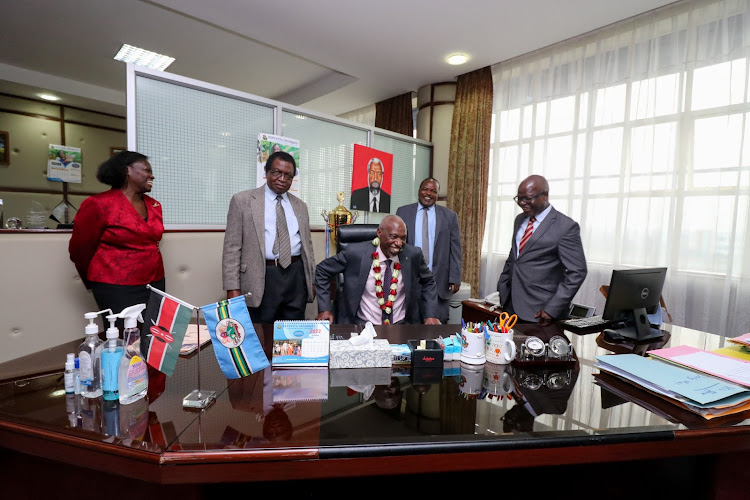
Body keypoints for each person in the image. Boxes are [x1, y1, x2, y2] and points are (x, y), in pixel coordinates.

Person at [222, 151, 315, 323]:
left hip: (295, 275)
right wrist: (232, 288)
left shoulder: (300, 206)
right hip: (262, 275)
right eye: (276, 172)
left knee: (292, 337)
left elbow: (307, 246)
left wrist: (311, 280)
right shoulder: (242, 201)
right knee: (261, 335)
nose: (282, 179)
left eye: (288, 175)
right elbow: (231, 249)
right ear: (266, 172)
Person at [69, 151, 165, 316]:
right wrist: (95, 281)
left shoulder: (154, 205)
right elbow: (80, 250)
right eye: (147, 170)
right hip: (115, 285)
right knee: (123, 337)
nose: (152, 176)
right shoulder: (98, 204)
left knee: (154, 335)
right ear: (127, 170)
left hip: (155, 281)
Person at [314, 214, 440, 325]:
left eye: (403, 238)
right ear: (379, 233)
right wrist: (325, 309)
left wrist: (431, 315)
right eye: (393, 237)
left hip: (401, 326)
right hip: (362, 326)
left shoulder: (412, 254)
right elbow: (322, 270)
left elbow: (429, 281)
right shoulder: (356, 253)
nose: (399, 243)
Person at [497, 175, 587, 324]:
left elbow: (577, 272)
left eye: (527, 198)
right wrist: (503, 284)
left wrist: (552, 309)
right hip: (510, 306)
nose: (522, 203)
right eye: (519, 198)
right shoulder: (519, 220)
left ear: (545, 195)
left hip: (540, 311)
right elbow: (515, 257)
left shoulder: (565, 227)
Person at [396, 177, 462, 324]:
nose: (428, 193)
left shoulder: (450, 216)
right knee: (409, 325)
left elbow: (455, 249)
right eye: (425, 189)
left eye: (433, 191)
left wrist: (455, 277)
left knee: (437, 326)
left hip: (439, 279)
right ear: (419, 191)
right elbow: (396, 246)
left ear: (437, 195)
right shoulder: (403, 212)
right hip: (410, 277)